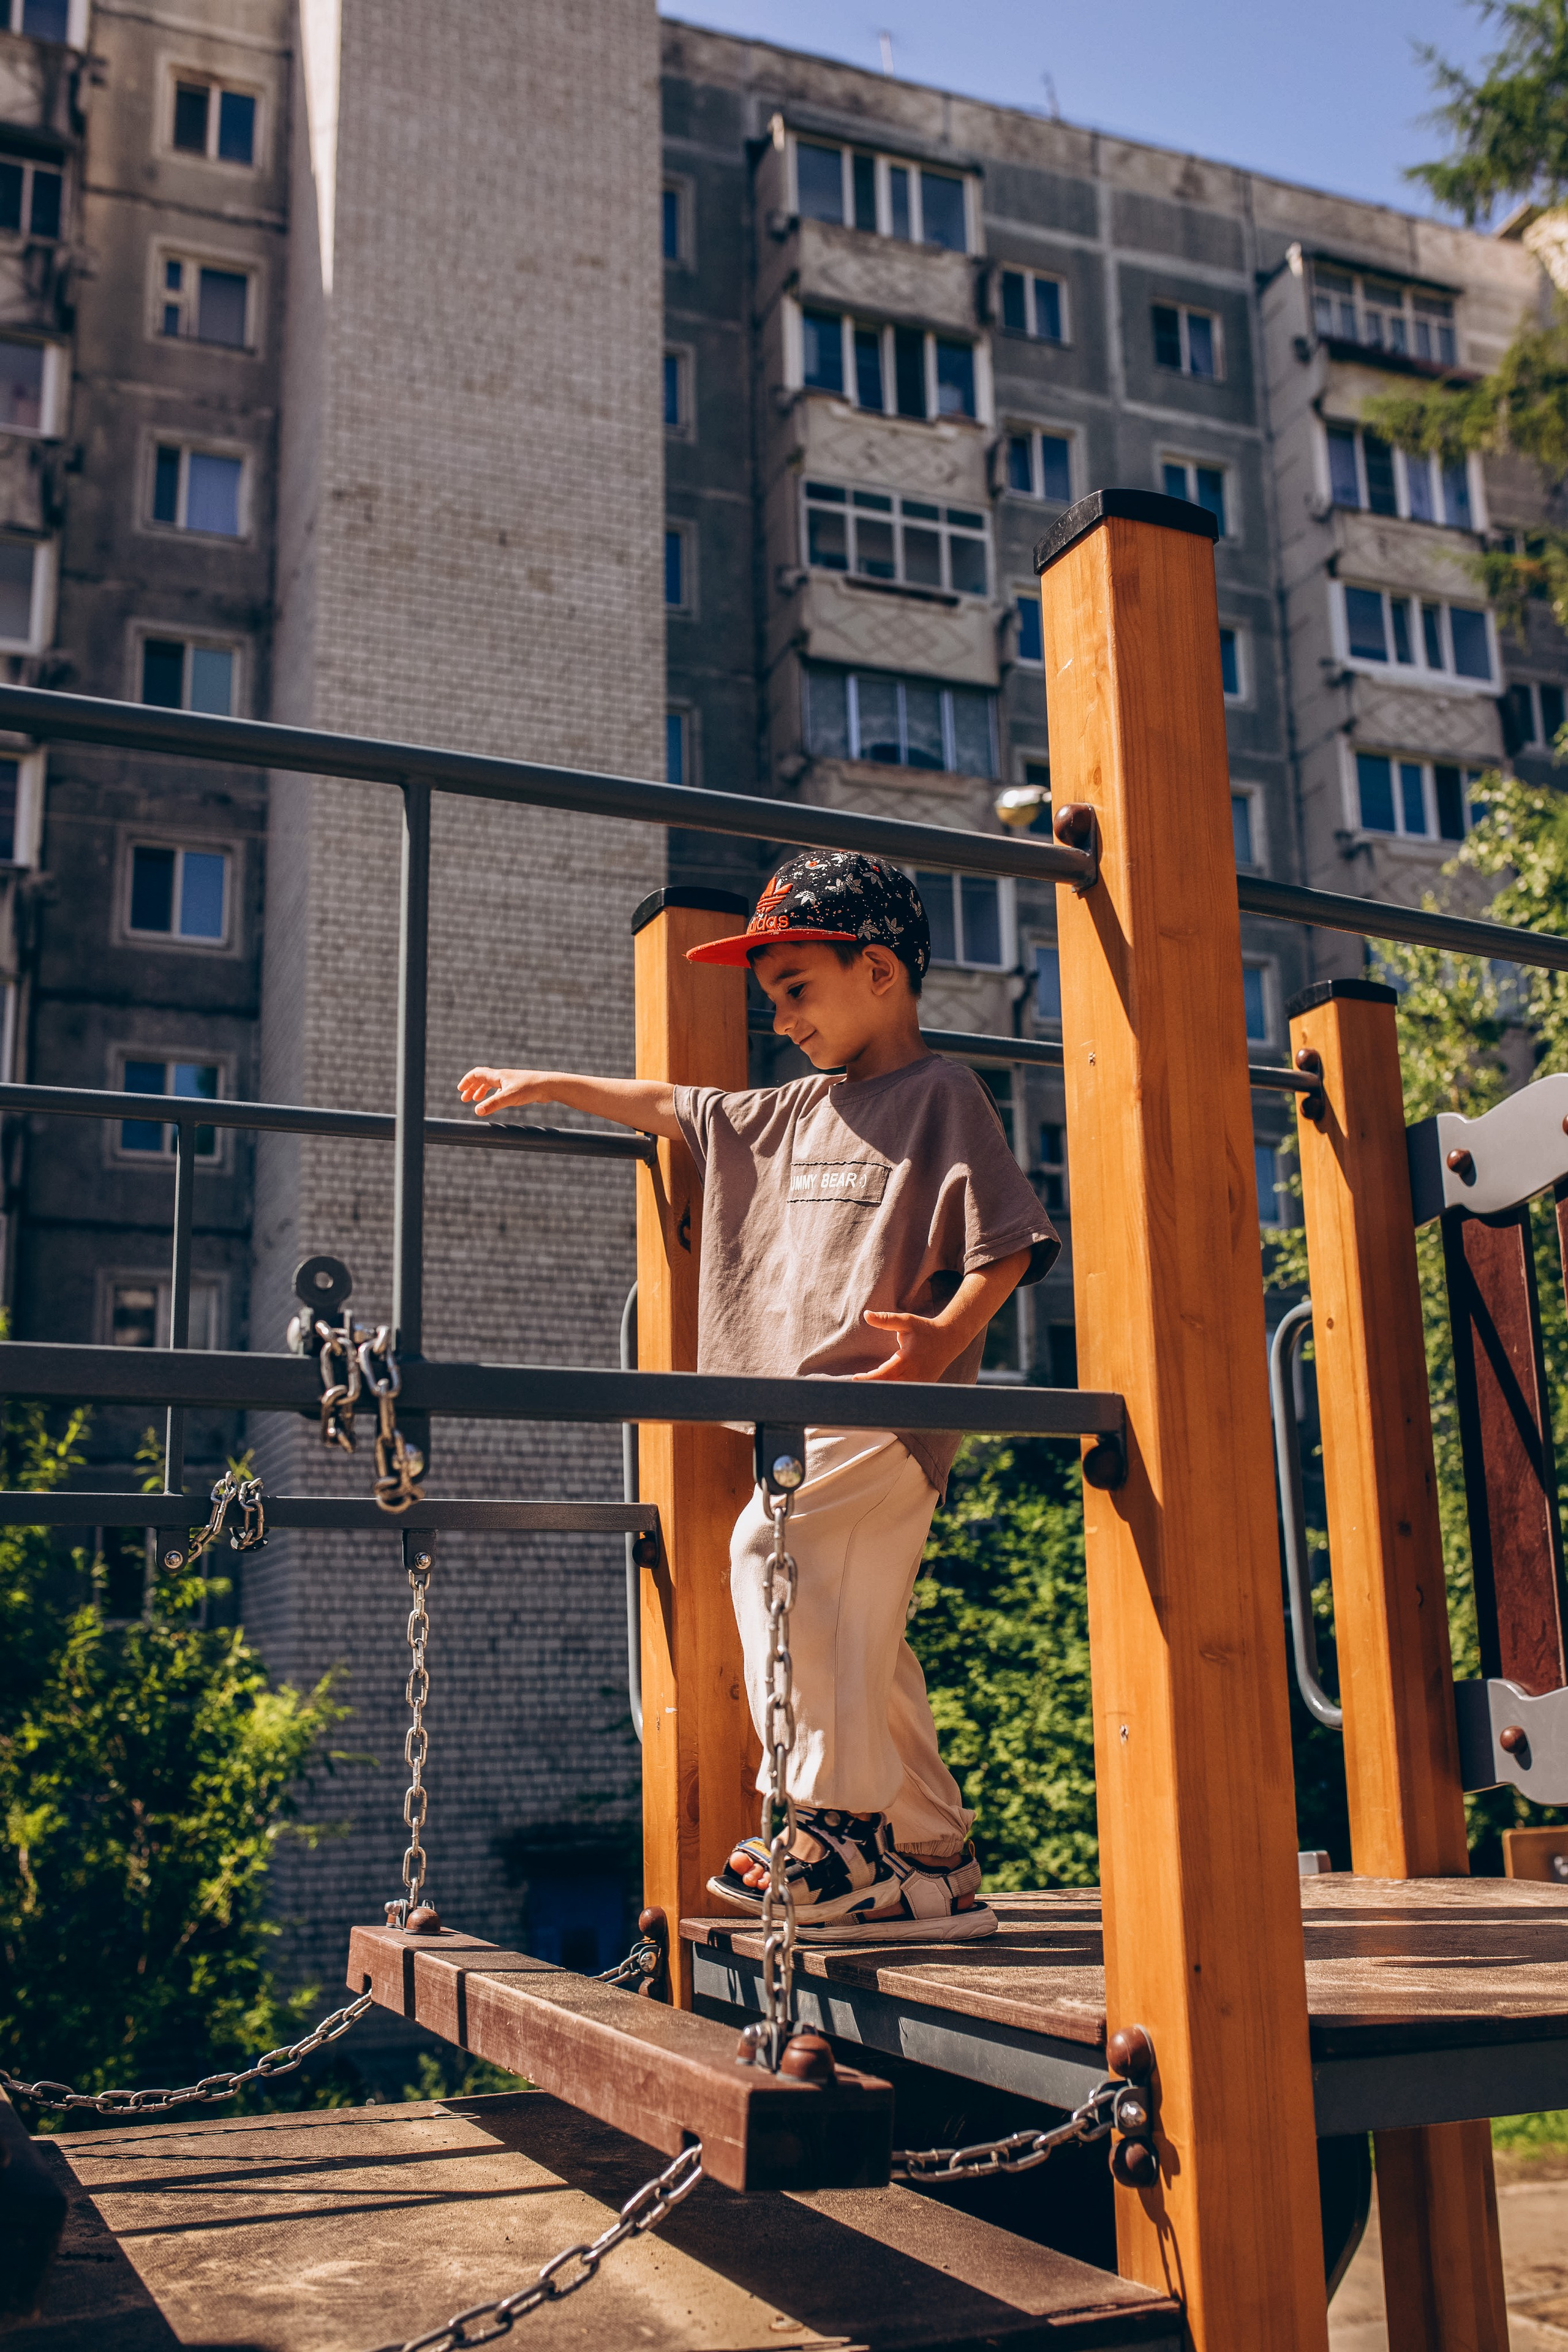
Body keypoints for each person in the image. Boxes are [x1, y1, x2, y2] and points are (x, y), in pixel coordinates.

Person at [459, 850, 1058, 1942]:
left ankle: (828, 1827)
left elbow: (1007, 1241)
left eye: (796, 989)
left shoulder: (941, 1094)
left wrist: (945, 1340)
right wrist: (548, 1083)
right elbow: (674, 1107)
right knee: (860, 1631)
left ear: (877, 968)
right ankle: (932, 1850)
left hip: (885, 1407)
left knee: (770, 1556)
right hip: (803, 1420)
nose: (781, 1017)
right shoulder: (787, 1111)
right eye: (770, 998)